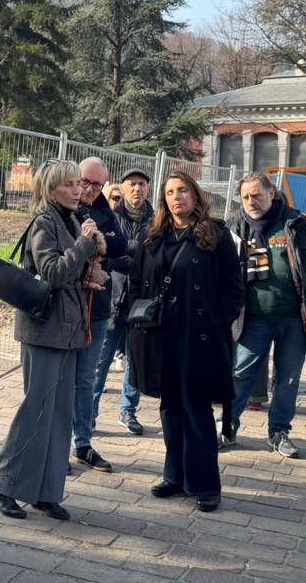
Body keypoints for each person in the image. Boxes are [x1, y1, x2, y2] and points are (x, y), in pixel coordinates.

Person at [0, 159, 101, 522]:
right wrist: (83, 244)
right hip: (44, 331)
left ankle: (46, 492)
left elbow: (67, 272)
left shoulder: (70, 219)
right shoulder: (44, 221)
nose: (77, 190)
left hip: (67, 331)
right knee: (36, 409)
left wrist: (88, 275)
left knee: (59, 414)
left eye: (78, 183)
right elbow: (51, 272)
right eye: (69, 184)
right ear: (50, 189)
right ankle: (3, 484)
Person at [130, 171, 243, 512]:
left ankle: (205, 484)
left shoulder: (216, 234)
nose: (176, 197)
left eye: (182, 190)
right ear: (163, 200)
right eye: (170, 192)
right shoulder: (153, 236)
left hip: (200, 336)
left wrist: (216, 323)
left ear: (195, 196)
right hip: (161, 334)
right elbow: (137, 281)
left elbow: (234, 289)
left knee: (197, 409)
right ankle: (174, 475)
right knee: (170, 408)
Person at [223, 173, 306, 459]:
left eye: (257, 195)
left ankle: (279, 432)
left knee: (288, 379)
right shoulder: (234, 227)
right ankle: (227, 428)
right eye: (246, 197)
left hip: (294, 319)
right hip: (252, 318)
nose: (251, 201)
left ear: (272, 193)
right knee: (240, 374)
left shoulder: (296, 223)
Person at [70, 157, 126, 472]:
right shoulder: (63, 207)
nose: (90, 189)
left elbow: (120, 246)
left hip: (98, 307)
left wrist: (99, 239)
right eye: (85, 182)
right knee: (61, 378)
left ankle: (82, 442)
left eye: (97, 184)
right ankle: (56, 444)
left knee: (86, 379)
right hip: (66, 308)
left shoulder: (105, 211)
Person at [94, 167, 153, 436]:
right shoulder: (110, 216)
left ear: (148, 188)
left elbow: (155, 256)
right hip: (112, 299)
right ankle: (89, 412)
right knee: (101, 360)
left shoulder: (156, 220)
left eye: (142, 184)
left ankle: (128, 410)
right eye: (132, 184)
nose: (137, 188)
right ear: (122, 187)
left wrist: (125, 252)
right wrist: (135, 254)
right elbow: (105, 253)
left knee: (134, 360)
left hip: (142, 301)